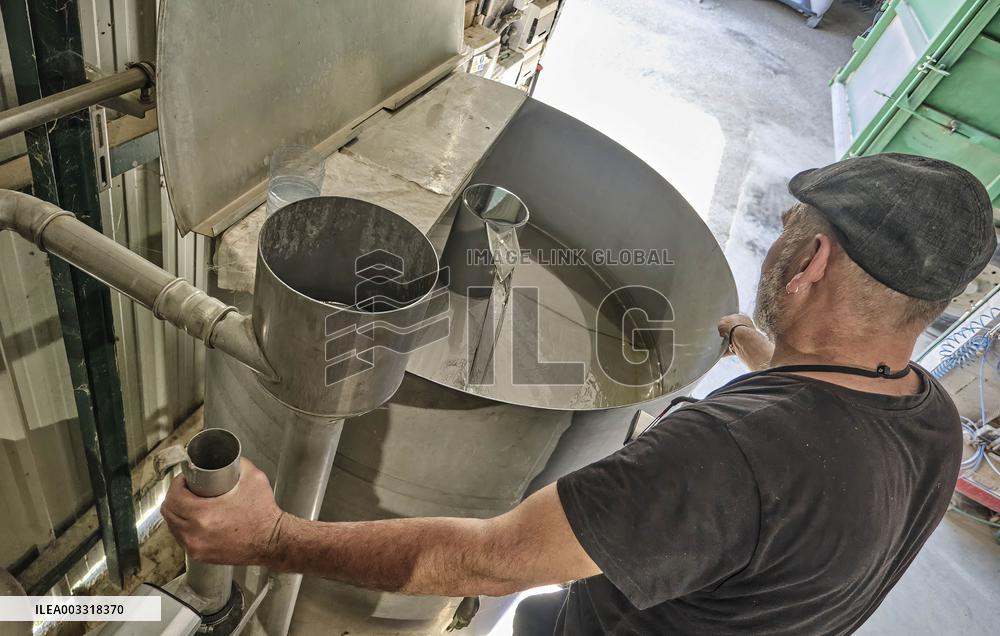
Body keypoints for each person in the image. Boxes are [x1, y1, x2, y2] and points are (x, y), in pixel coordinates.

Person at [162, 154, 996, 635]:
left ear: (810, 263)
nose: (778, 242)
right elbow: (810, 445)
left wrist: (269, 536)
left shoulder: (723, 458)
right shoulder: (930, 418)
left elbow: (488, 561)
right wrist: (765, 357)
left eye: (790, 229)